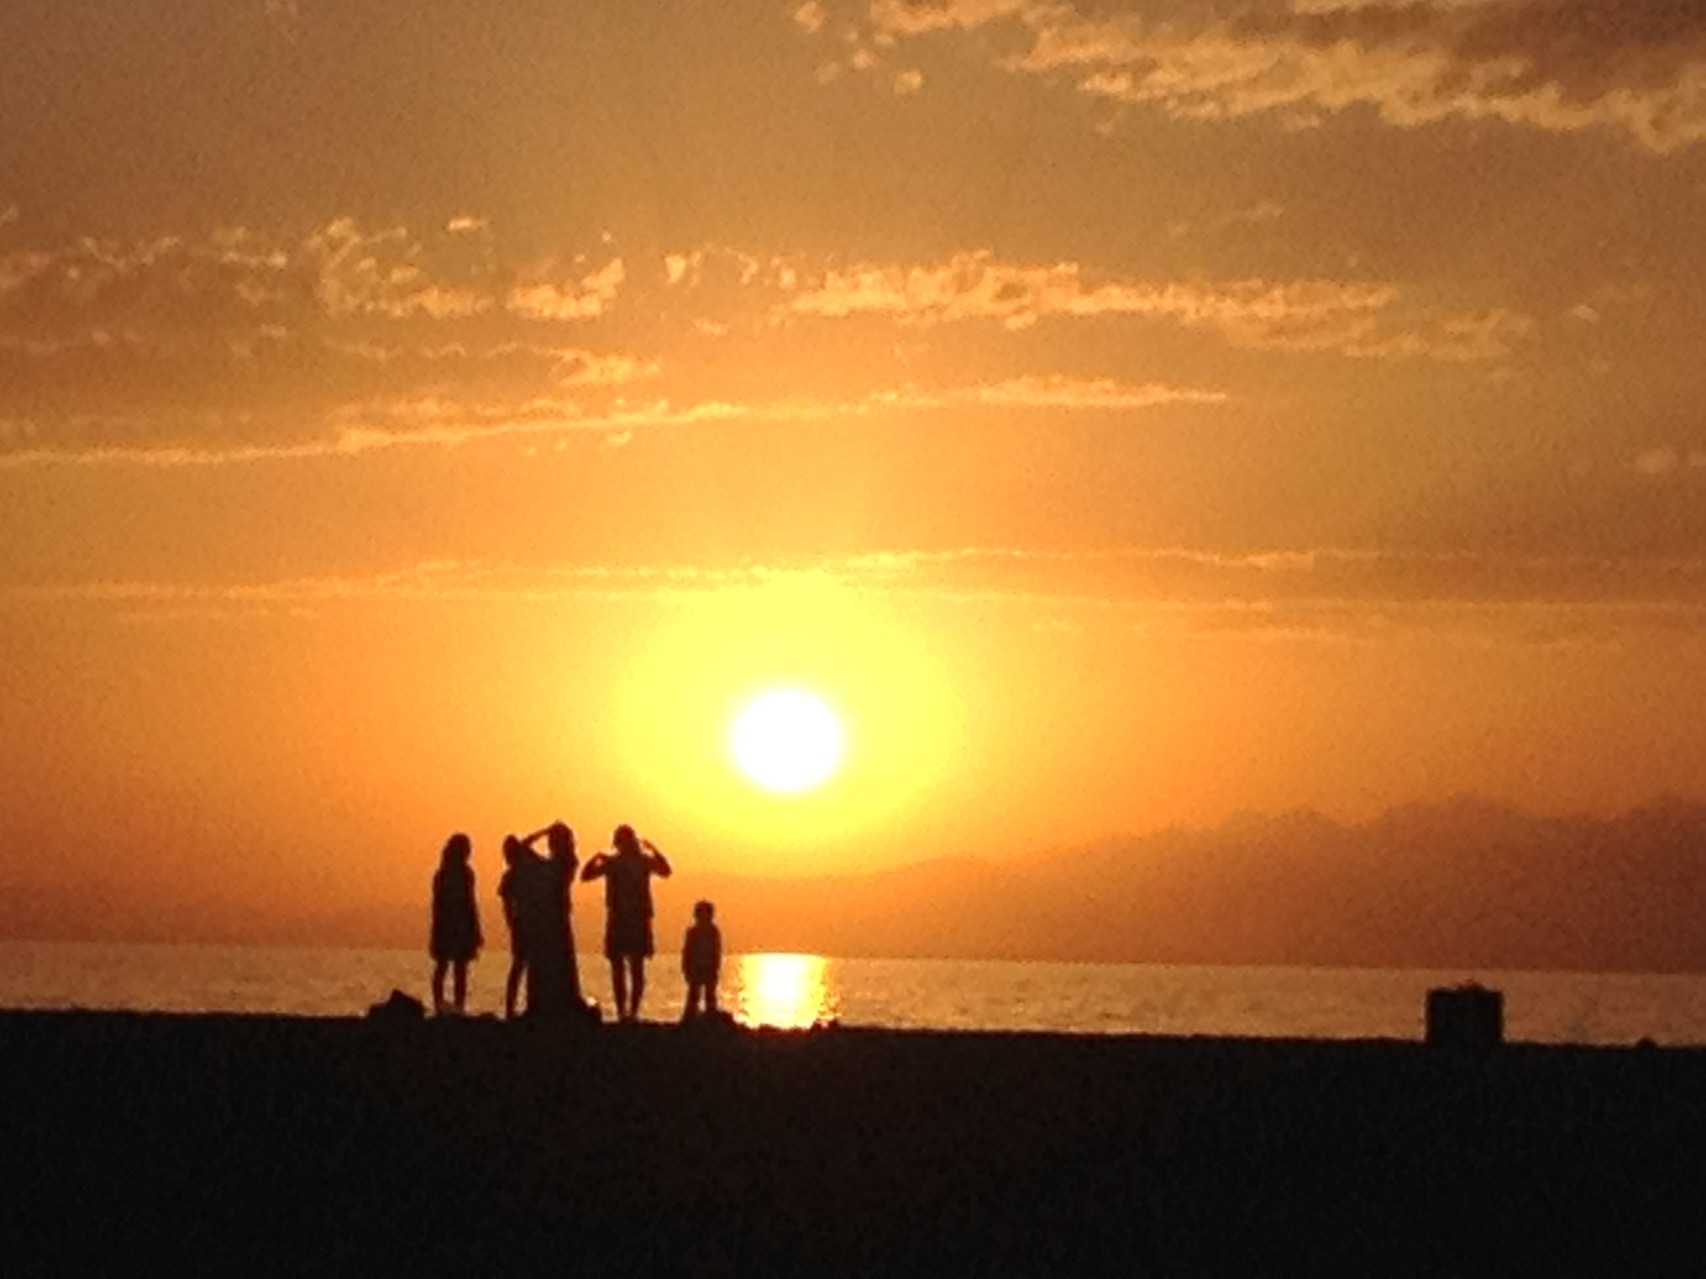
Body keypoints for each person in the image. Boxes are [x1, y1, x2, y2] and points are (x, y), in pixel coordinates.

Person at [581, 825, 672, 1022]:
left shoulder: (615, 863)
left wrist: (596, 857)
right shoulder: (639, 861)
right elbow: (666, 870)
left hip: (623, 919)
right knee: (632, 967)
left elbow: (586, 875)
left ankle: (626, 1011)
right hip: (632, 919)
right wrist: (654, 850)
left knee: (621, 968)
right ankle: (630, 1012)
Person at [514, 822, 581, 1019]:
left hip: (557, 917)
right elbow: (521, 848)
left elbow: (523, 850)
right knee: (541, 963)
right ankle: (540, 1003)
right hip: (545, 918)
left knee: (558, 963)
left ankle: (558, 1004)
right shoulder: (547, 864)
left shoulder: (567, 862)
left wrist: (542, 833)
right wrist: (542, 832)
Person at [429, 832, 481, 1015]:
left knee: (456, 968)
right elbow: (465, 902)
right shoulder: (448, 875)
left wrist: (475, 928)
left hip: (455, 923)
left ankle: (454, 1005)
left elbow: (469, 902)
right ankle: (444, 1005)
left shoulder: (453, 874)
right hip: (452, 923)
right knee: (449, 966)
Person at [496, 836, 532, 1020]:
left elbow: (506, 904)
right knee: (521, 966)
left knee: (520, 966)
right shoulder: (520, 873)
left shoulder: (514, 874)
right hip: (525, 923)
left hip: (522, 923)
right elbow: (507, 903)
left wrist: (511, 923)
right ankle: (512, 1007)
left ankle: (514, 1007)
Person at [681, 900, 721, 1021]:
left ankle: (711, 1016)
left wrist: (715, 967)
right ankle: (689, 1018)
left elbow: (716, 951)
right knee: (693, 995)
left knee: (710, 995)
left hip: (709, 968)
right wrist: (686, 969)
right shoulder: (692, 933)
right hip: (695, 969)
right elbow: (686, 952)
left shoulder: (714, 932)